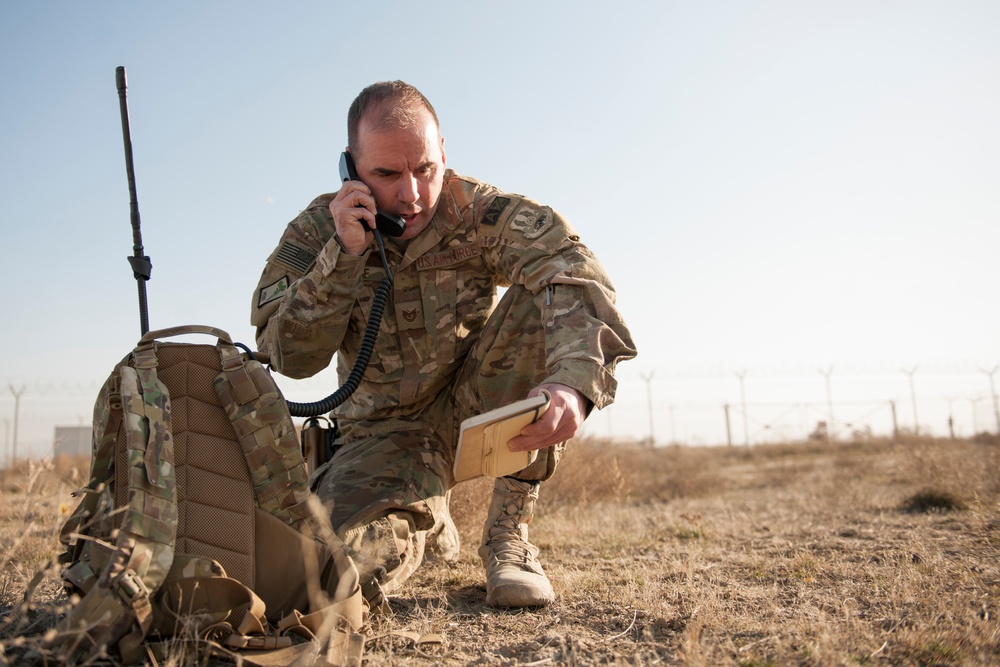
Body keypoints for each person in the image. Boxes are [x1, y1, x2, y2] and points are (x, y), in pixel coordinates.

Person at [251, 80, 636, 609]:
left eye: (425, 169)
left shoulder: (479, 213)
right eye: (387, 174)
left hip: (476, 406)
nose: (411, 194)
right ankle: (424, 516)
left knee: (545, 294)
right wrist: (342, 256)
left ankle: (508, 536)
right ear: (351, 168)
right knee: (328, 576)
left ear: (443, 157)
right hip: (382, 434)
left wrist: (575, 384)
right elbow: (290, 358)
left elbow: (573, 267)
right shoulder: (318, 231)